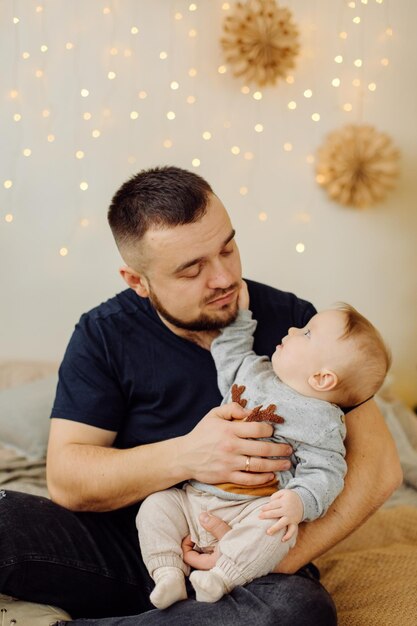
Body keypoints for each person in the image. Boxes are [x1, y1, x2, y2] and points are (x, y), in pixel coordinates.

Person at [0, 166, 401, 626]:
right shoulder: (103, 334)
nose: (224, 277)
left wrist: (266, 559)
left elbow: (381, 467)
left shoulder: (300, 327)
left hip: (249, 555)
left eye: (227, 247)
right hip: (136, 538)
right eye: (192, 268)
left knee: (296, 611)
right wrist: (188, 456)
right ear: (138, 281)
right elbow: (68, 478)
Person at [137, 281, 391, 608]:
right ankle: (167, 573)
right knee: (156, 505)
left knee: (278, 530)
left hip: (251, 509)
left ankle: (221, 576)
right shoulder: (256, 370)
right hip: (194, 497)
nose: (292, 329)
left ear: (322, 378)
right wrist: (241, 318)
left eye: (307, 333)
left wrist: (299, 502)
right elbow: (231, 354)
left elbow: (327, 473)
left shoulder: (322, 421)